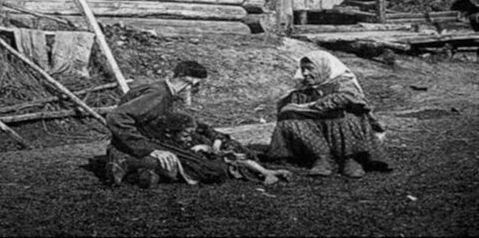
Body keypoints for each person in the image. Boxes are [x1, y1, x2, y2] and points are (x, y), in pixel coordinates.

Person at [265, 50, 392, 178]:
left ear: (323, 67)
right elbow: (287, 106)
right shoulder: (303, 88)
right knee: (288, 119)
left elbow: (344, 99)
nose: (305, 73)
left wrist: (308, 106)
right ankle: (322, 158)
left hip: (344, 128)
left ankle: (350, 159)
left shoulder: (343, 83)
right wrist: (294, 107)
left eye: (310, 69)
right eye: (303, 69)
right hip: (317, 131)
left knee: (344, 116)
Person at [104, 60, 228, 188]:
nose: (188, 88)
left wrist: (211, 135)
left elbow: (176, 122)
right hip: (137, 144)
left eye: (194, 85)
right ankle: (127, 161)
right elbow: (116, 116)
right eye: (186, 82)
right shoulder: (158, 94)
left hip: (145, 140)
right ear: (173, 75)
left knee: (188, 159)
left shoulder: (165, 92)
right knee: (212, 171)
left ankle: (146, 169)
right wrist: (148, 149)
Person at [147, 111, 292, 186]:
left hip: (215, 157)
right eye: (185, 135)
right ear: (170, 132)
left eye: (190, 135)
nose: (189, 138)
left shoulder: (194, 135)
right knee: (230, 161)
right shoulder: (168, 143)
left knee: (237, 155)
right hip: (204, 165)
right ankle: (265, 172)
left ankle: (266, 172)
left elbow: (210, 136)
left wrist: (212, 146)